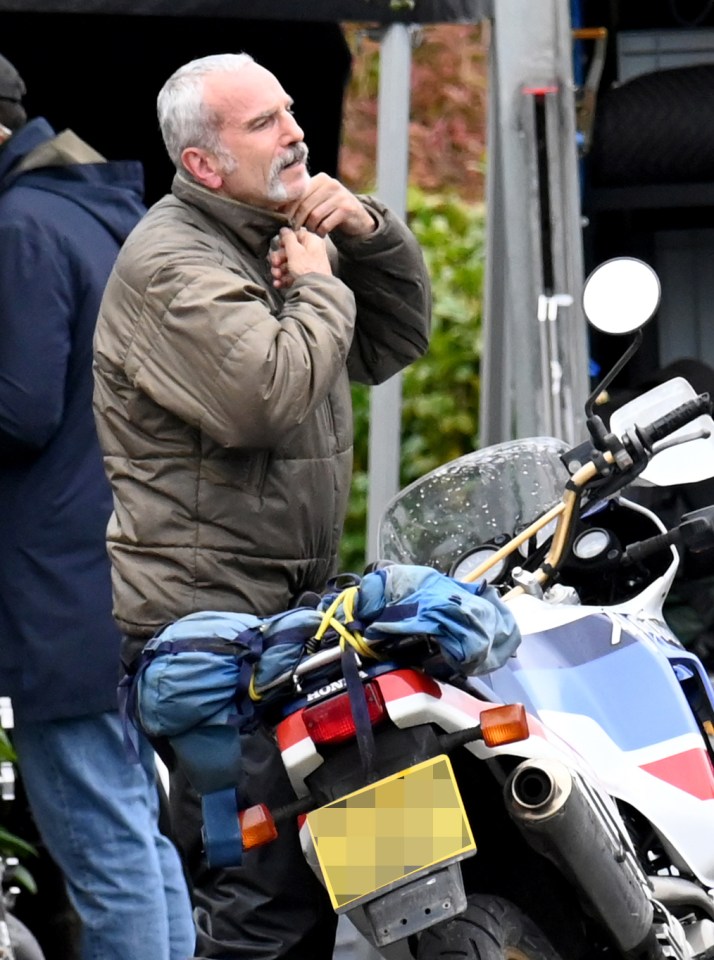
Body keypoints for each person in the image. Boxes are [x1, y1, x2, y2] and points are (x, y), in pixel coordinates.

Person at [92, 51, 431, 960]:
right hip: (209, 640)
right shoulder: (171, 262)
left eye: (291, 112)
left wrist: (362, 229)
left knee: (388, 876)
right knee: (267, 894)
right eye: (265, 123)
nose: (296, 133)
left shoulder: (275, 232)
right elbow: (264, 396)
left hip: (294, 622)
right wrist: (319, 285)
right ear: (204, 164)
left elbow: (397, 335)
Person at [0, 52, 195, 960]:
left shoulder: (21, 228)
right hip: (112, 567)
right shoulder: (94, 215)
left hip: (53, 587)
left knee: (103, 844)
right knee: (136, 835)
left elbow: (19, 407)